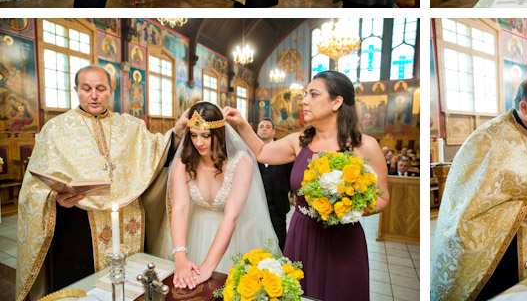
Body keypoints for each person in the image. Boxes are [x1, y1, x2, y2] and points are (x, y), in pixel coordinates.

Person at [16, 65, 188, 301]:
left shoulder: (131, 126)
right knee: (82, 291)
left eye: (100, 88)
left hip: (130, 219)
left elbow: (158, 152)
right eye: (86, 89)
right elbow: (32, 188)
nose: (94, 95)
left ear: (111, 90)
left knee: (131, 286)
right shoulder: (55, 129)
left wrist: (176, 134)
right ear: (76, 90)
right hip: (78, 226)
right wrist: (54, 198)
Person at [224, 71, 389, 301]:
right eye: (305, 94)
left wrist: (347, 209)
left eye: (313, 94)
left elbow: (382, 197)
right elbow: (261, 152)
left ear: (337, 102)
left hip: (343, 240)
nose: (304, 101)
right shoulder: (298, 141)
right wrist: (241, 123)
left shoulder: (365, 145)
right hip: (303, 234)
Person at [432, 77, 527, 301]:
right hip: (501, 256)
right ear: (524, 106)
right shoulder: (487, 140)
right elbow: (466, 211)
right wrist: (526, 208)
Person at [154, 103, 277, 289]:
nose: (199, 142)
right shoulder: (183, 162)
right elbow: (180, 207)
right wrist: (180, 257)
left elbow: (232, 216)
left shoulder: (241, 162)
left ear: (220, 134)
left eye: (206, 135)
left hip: (233, 236)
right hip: (195, 230)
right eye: (193, 135)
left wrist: (208, 266)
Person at [256, 117, 293, 249]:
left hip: (278, 206)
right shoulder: (250, 152)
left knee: (280, 241)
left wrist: (285, 190)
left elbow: (291, 175)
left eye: (267, 127)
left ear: (273, 131)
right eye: (261, 127)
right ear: (257, 131)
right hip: (256, 206)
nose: (264, 129)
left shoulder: (283, 151)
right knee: (258, 242)